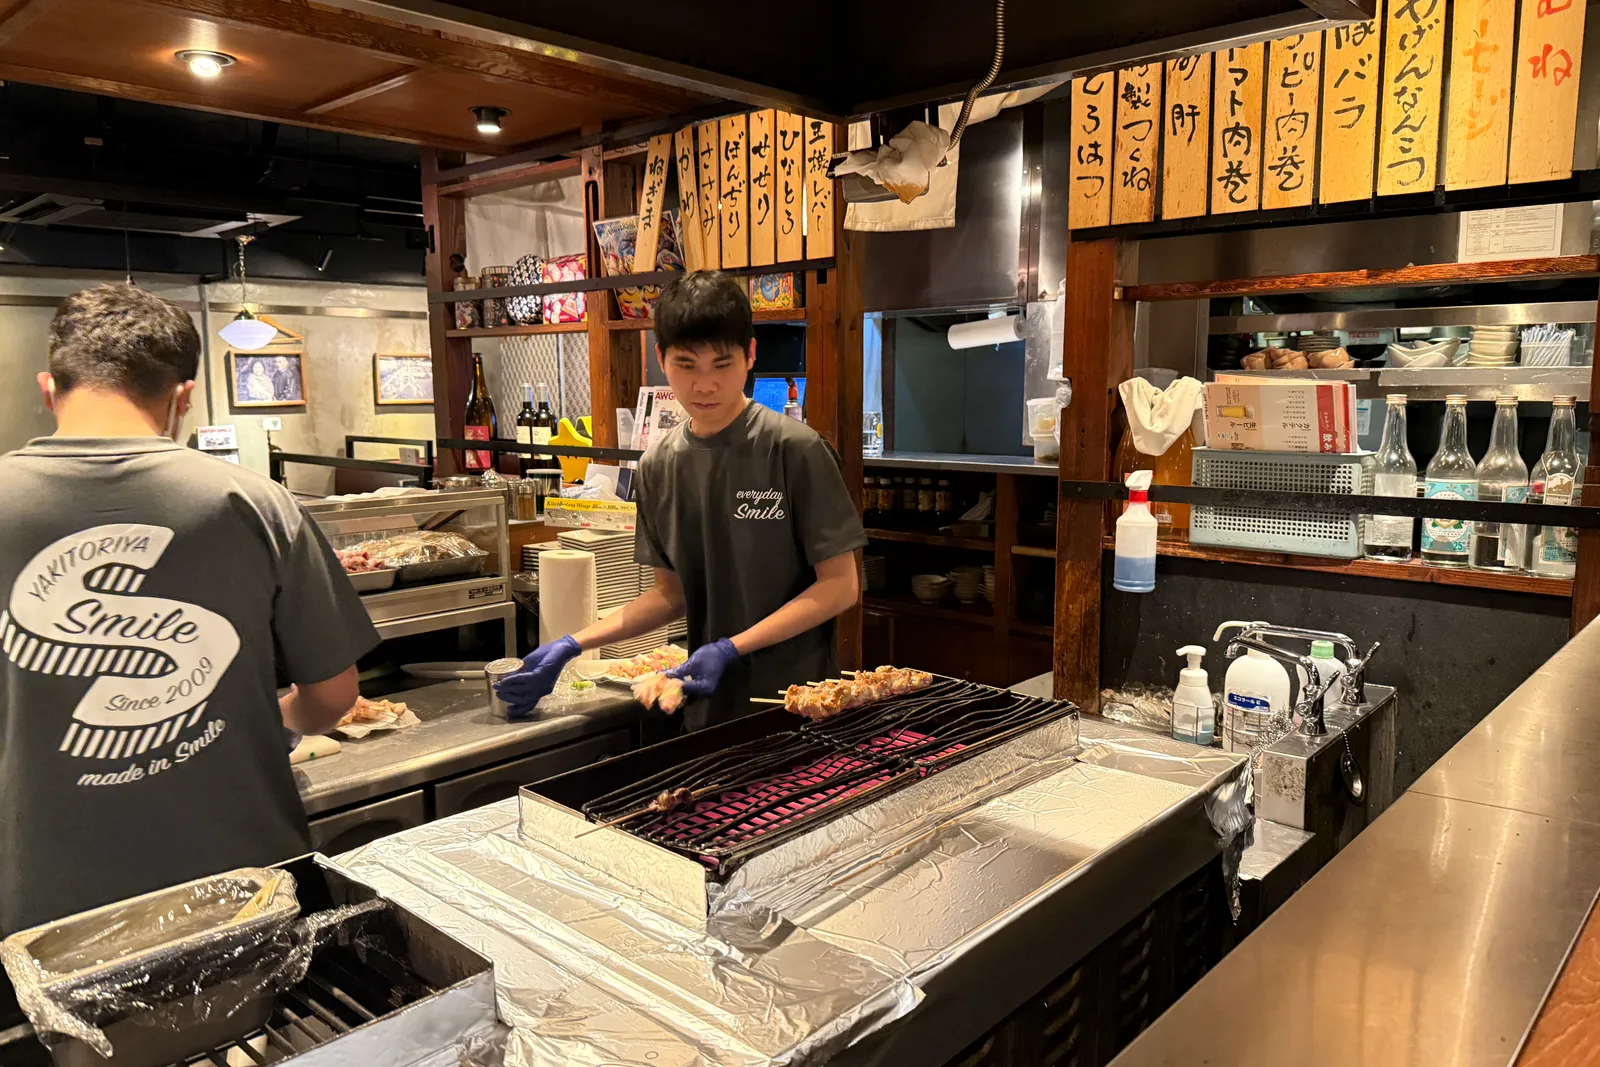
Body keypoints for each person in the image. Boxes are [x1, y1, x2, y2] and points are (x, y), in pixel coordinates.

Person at [0, 284, 379, 937]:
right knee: (269, 1040)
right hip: (244, 884)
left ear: (47, 388)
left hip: (48, 909)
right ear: (183, 398)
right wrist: (271, 719)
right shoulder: (258, 505)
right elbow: (334, 695)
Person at [499, 271, 865, 731]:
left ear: (751, 355)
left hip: (797, 709)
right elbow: (668, 596)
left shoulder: (795, 449)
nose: (705, 384)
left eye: (722, 364)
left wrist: (733, 646)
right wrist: (573, 644)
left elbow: (840, 587)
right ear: (661, 359)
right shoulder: (658, 464)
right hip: (704, 712)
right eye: (687, 365)